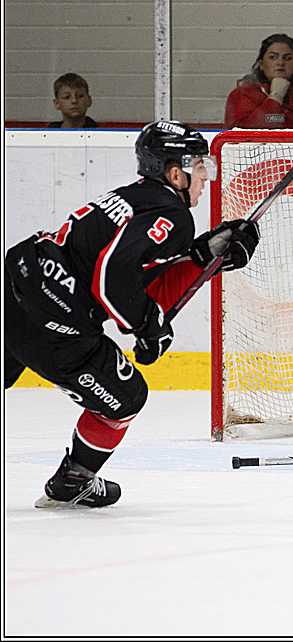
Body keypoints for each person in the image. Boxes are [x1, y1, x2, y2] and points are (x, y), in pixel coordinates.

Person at [4, 121, 261, 508]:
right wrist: (147, 328)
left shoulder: (136, 197)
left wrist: (206, 258)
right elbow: (112, 277)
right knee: (126, 397)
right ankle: (74, 480)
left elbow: (134, 274)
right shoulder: (173, 215)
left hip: (17, 283)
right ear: (175, 174)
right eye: (198, 166)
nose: (205, 176)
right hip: (54, 320)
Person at [224, 33, 293, 129]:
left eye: (287, 58)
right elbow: (240, 132)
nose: (280, 62)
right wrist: (275, 97)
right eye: (273, 57)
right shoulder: (242, 95)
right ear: (261, 64)